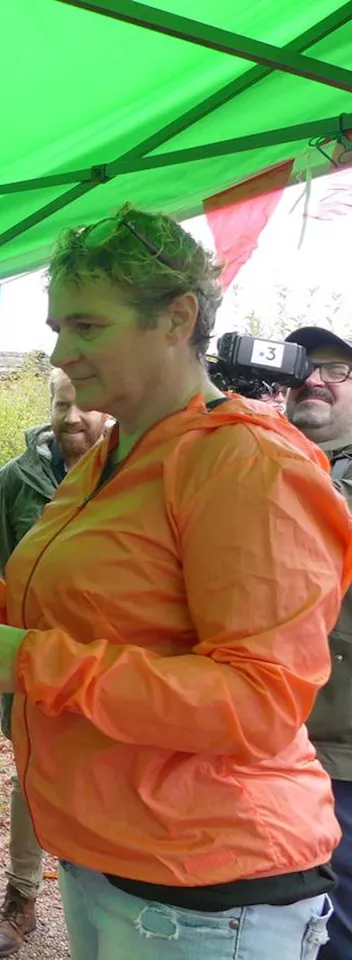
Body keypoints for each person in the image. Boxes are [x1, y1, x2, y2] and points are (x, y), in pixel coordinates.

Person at [0, 204, 350, 960]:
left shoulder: (244, 463)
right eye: (56, 329)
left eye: (87, 326)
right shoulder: (110, 459)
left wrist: (27, 662)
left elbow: (259, 699)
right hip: (109, 860)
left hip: (208, 886)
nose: (62, 353)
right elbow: (101, 615)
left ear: (177, 318)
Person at [0, 368, 107, 959]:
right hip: (35, 660)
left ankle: (104, 893)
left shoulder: (136, 471)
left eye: (86, 405)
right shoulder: (18, 478)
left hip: (108, 663)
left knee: (105, 776)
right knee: (30, 775)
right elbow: (12, 575)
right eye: (62, 405)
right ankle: (21, 895)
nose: (74, 417)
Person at [284, 325, 352, 960]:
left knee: (334, 932)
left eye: (337, 370)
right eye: (302, 366)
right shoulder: (257, 455)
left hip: (341, 759)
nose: (314, 378)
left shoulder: (276, 469)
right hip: (264, 748)